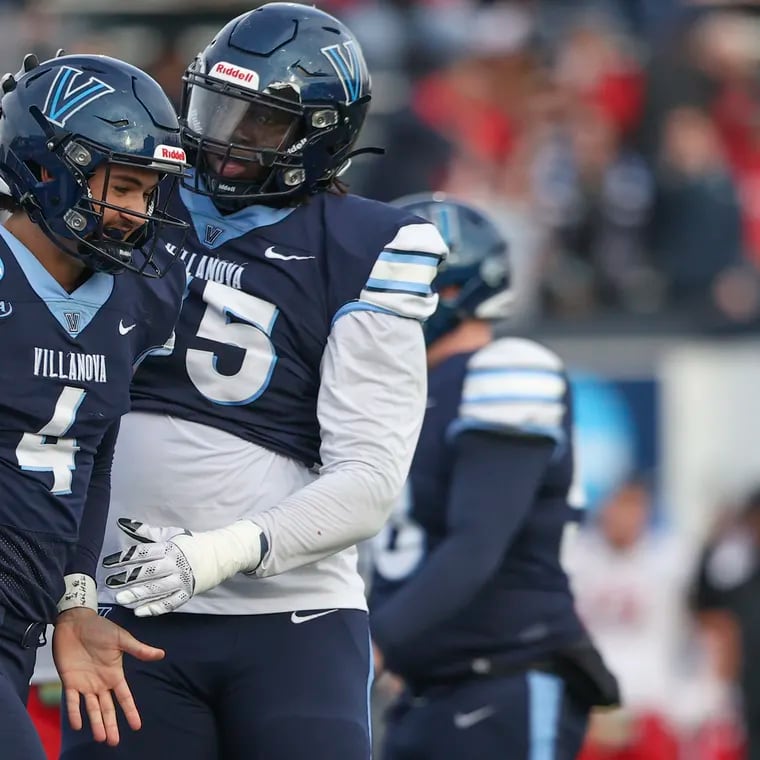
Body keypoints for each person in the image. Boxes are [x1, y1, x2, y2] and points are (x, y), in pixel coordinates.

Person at [59, 4, 447, 760]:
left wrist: (215, 554)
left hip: (290, 621)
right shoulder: (138, 193)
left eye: (258, 123)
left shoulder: (368, 246)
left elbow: (369, 481)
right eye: (215, 105)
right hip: (124, 616)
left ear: (322, 133)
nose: (223, 137)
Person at [368, 194, 620, 760]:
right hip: (424, 693)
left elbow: (477, 543)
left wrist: (371, 644)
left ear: (449, 288)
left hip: (503, 680)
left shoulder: (507, 369)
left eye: (393, 278)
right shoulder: (397, 394)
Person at [0, 51, 189, 760]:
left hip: (20, 618)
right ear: (49, 167)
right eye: (124, 187)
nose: (136, 213)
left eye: (149, 194)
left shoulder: (137, 300)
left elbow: (92, 448)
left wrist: (75, 596)